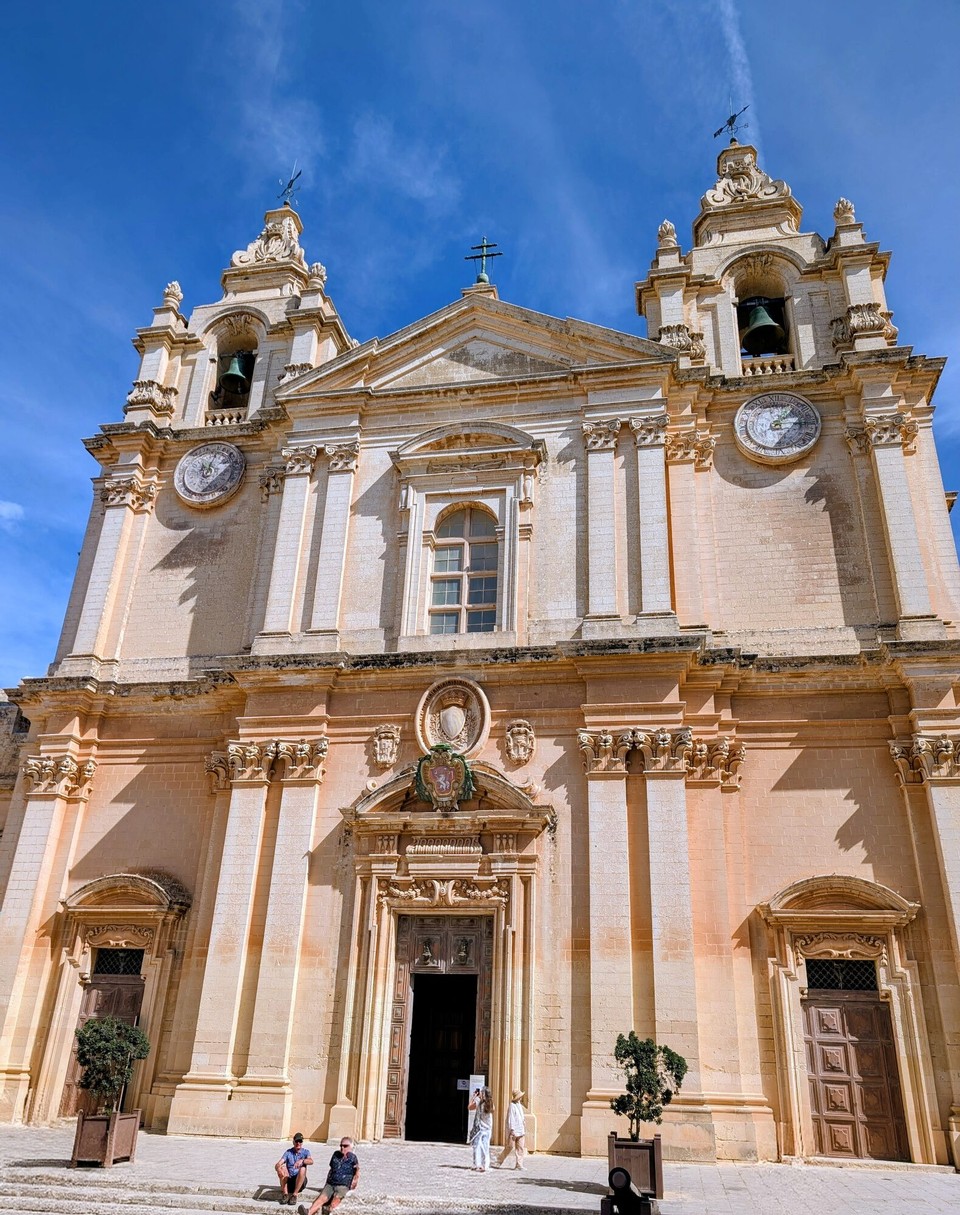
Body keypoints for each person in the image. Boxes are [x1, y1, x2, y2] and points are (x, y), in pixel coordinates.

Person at [298, 1137, 360, 1215]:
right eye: (341, 1145)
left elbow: (357, 1171)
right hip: (331, 1183)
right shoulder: (335, 1154)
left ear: (351, 1147)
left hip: (343, 1185)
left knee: (335, 1200)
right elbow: (331, 1170)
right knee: (321, 1198)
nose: (342, 1148)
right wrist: (326, 1184)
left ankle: (328, 1210)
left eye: (345, 1146)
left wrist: (354, 1182)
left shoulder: (353, 1158)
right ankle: (308, 1212)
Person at [276, 1133, 313, 1206]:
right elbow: (278, 1163)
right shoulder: (288, 1152)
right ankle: (285, 1194)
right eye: (296, 1141)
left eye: (300, 1141)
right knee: (282, 1167)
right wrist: (278, 1169)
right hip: (289, 1181)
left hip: (299, 1183)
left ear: (302, 1142)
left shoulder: (306, 1152)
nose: (298, 1143)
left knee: (303, 1168)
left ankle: (294, 1195)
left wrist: (302, 1161)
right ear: (293, 1142)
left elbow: (311, 1161)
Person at [497, 1089, 527, 1169]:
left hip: (521, 1129)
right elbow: (511, 1118)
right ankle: (499, 1161)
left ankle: (519, 1165)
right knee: (509, 1147)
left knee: (520, 1148)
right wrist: (512, 1129)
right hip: (514, 1130)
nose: (520, 1098)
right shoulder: (512, 1106)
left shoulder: (519, 1105)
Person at [468, 1086, 494, 1172]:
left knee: (478, 1146)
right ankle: (484, 1165)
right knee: (485, 1147)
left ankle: (478, 1164)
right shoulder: (491, 1104)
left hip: (480, 1128)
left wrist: (474, 1096)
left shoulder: (479, 1102)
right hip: (487, 1128)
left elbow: (469, 1107)